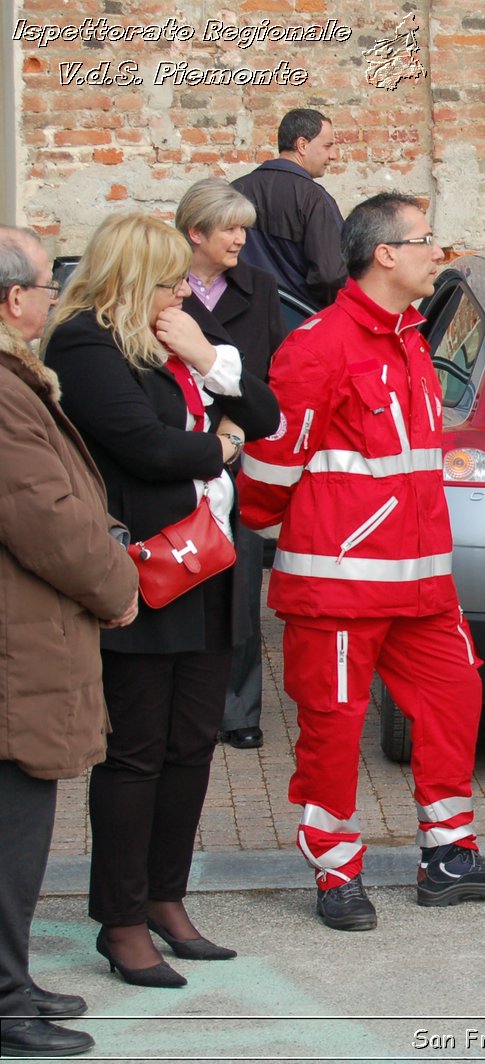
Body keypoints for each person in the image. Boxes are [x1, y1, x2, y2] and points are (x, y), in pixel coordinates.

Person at [237, 193, 485, 933]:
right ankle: (336, 870)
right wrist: (293, 532)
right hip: (339, 589)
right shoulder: (319, 344)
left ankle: (448, 854)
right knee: (333, 733)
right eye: (425, 239)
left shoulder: (409, 337)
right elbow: (272, 466)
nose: (439, 251)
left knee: (455, 701)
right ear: (384, 254)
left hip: (423, 583)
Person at [44, 213, 280, 989]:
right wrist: (219, 444)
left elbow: (267, 414)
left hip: (208, 566)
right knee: (137, 752)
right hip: (145, 574)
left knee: (191, 746)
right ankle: (120, 918)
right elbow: (144, 448)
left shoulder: (178, 322)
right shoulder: (84, 342)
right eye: (170, 280)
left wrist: (207, 356)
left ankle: (165, 898)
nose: (186, 290)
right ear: (128, 279)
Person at [0, 225, 140, 1058]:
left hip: (25, 640)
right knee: (13, 835)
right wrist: (117, 585)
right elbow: (43, 516)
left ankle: (12, 983)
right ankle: (5, 1000)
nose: (55, 299)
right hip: (19, 649)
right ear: (13, 299)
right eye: (46, 285)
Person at [176, 178, 289, 751]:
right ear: (196, 232)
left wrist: (241, 427)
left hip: (238, 450)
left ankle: (239, 709)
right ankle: (183, 702)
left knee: (242, 585)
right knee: (177, 576)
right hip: (179, 447)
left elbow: (269, 372)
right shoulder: (163, 288)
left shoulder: (260, 287)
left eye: (245, 227)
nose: (242, 239)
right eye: (230, 228)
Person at [232, 108, 345, 309]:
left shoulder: (235, 190)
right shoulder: (313, 198)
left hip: (242, 316)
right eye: (327, 146)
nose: (333, 155)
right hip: (299, 320)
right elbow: (330, 275)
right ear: (302, 145)